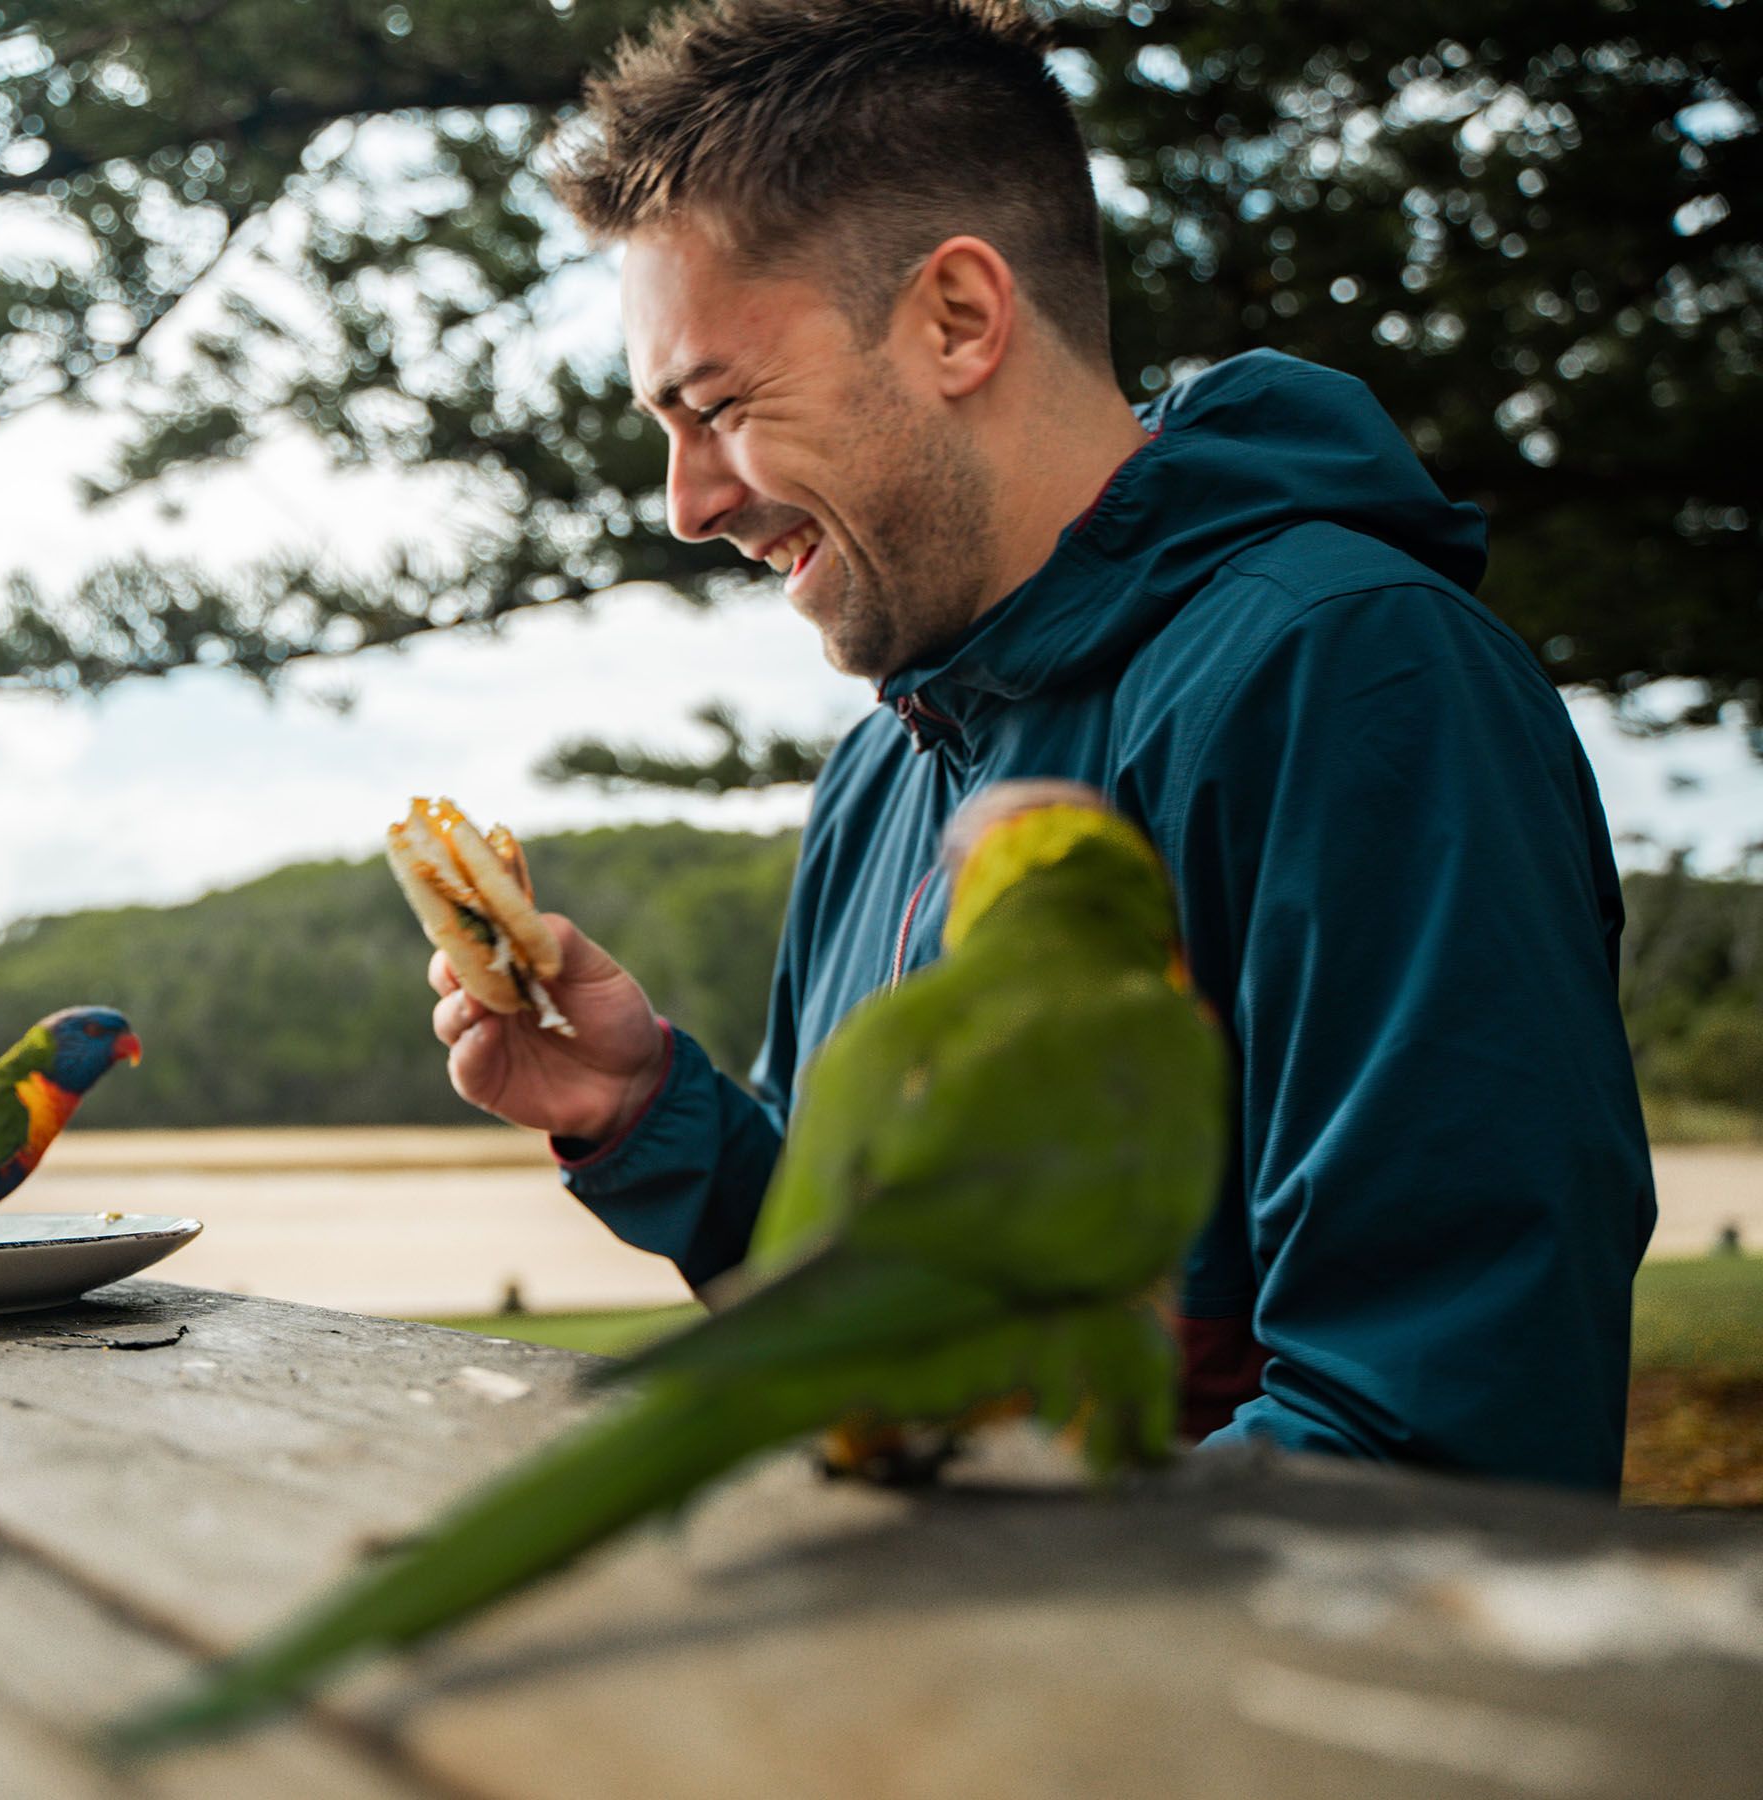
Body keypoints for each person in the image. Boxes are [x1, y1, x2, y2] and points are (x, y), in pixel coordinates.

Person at [423, 0, 1654, 1492]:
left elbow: (1440, 1423)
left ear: (957, 317)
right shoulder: (889, 768)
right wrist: (649, 1116)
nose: (687, 504)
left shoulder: (1350, 678)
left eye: (719, 405)